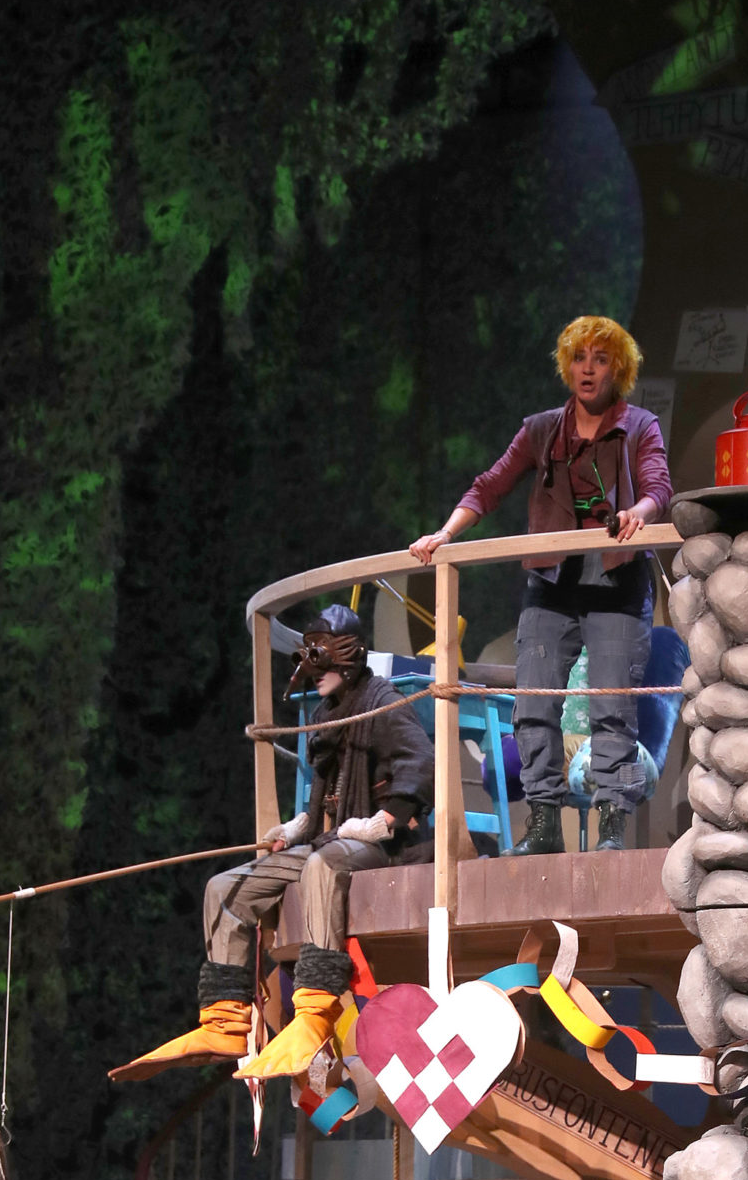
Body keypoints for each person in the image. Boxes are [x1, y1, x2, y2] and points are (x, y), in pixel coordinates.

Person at [111, 603, 434, 1085]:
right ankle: (224, 1020)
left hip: (383, 847)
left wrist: (383, 821)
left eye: (319, 664)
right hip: (330, 838)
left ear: (344, 658)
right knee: (225, 889)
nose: (312, 676)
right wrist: (299, 825)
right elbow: (325, 791)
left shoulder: (381, 702)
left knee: (323, 866)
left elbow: (421, 761)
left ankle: (315, 1013)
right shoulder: (327, 712)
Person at [410, 316, 670, 855]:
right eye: (579, 358)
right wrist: (445, 534)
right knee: (532, 704)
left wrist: (638, 513)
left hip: (616, 582)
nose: (588, 369)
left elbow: (657, 488)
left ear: (618, 369)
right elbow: (490, 485)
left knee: (612, 706)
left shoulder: (640, 426)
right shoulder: (542, 429)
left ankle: (612, 826)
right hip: (553, 584)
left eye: (600, 359)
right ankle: (544, 824)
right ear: (567, 367)